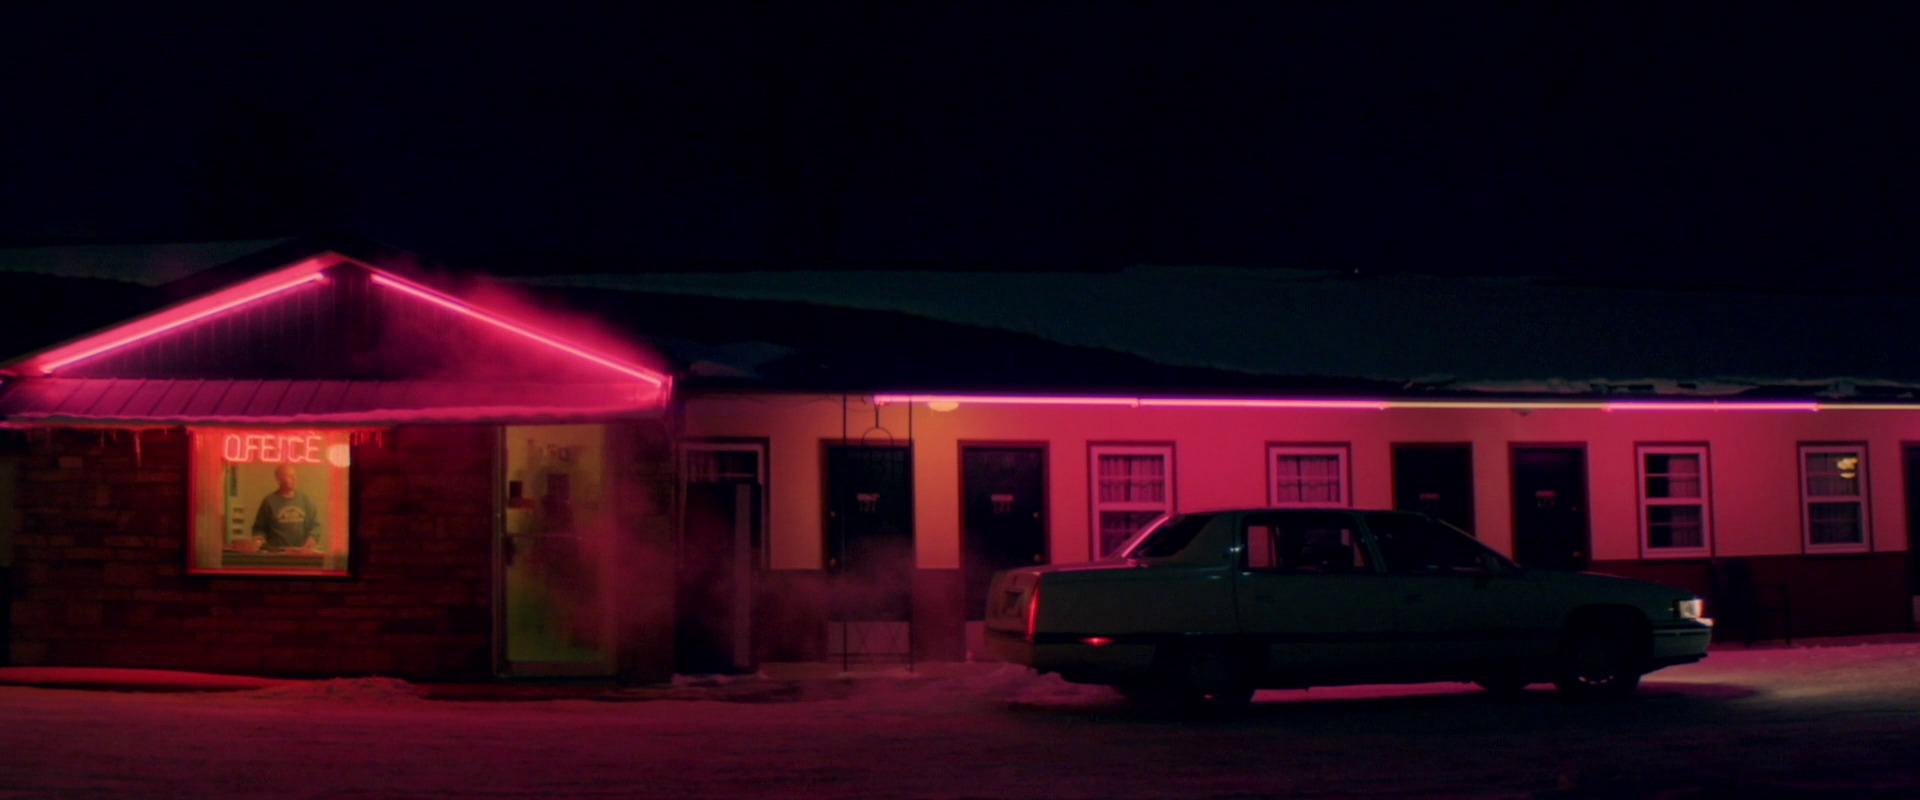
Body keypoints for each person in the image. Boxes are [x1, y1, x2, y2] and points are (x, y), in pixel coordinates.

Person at [252, 464, 320, 552]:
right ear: (279, 479)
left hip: (301, 553)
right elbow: (259, 529)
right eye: (289, 476)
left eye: (294, 475)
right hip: (277, 554)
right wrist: (259, 539)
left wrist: (313, 538)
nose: (294, 479)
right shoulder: (269, 502)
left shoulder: (305, 500)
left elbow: (315, 525)